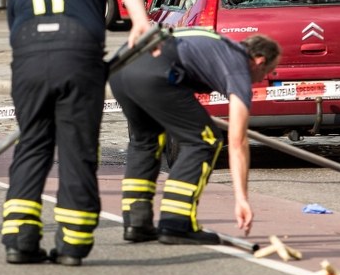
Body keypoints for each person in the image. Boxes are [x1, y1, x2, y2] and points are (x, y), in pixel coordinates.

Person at [2, 0, 150, 266]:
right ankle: (72, 243)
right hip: (76, 53)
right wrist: (140, 20)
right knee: (76, 146)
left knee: (32, 144)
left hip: (27, 59)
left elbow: (14, 28)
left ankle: (20, 240)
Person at [109, 30, 281, 245]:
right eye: (269, 71)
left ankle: (137, 222)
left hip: (121, 69)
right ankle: (176, 224)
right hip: (154, 73)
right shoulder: (238, 66)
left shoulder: (218, 45)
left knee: (146, 140)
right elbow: (237, 142)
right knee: (205, 139)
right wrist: (242, 199)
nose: (263, 79)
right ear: (259, 61)